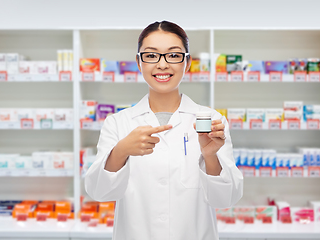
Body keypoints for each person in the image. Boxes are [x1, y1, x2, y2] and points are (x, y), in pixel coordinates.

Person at [85, 20, 243, 240]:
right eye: (151, 55)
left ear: (187, 63)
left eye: (173, 55)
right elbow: (99, 192)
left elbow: (226, 199)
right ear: (139, 63)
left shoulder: (212, 121)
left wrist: (210, 157)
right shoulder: (118, 123)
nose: (162, 64)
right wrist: (121, 151)